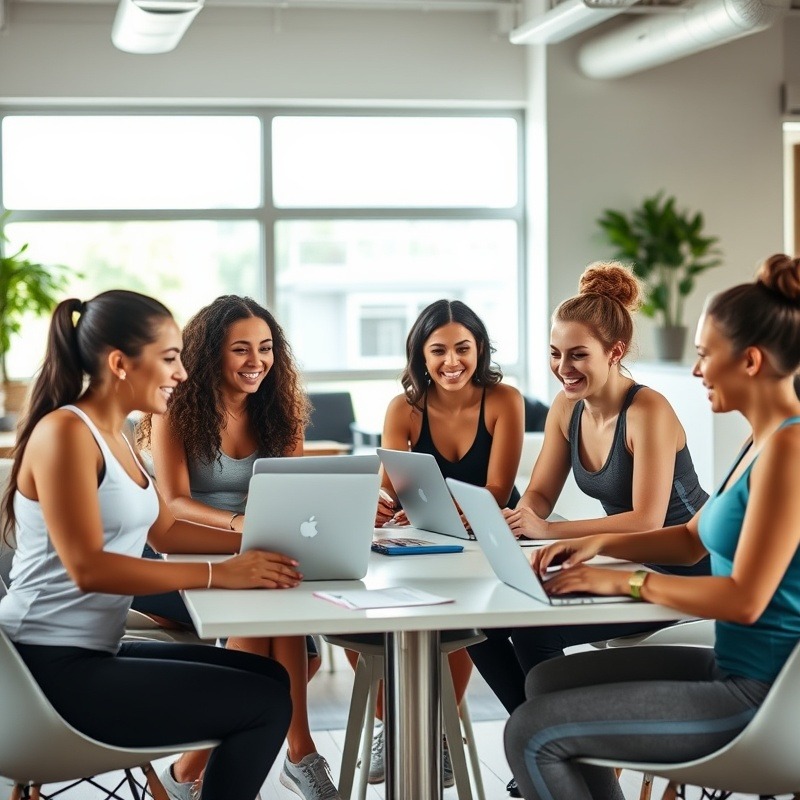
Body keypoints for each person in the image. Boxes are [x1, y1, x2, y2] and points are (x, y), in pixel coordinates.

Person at [505, 253, 800, 800]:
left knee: (530, 732)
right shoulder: (758, 441)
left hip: (766, 694)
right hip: (731, 666)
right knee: (543, 682)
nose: (696, 371)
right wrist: (594, 545)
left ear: (751, 361)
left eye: (704, 355)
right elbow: (688, 541)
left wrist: (624, 579)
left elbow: (745, 600)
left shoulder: (790, 449)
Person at [0, 290, 299, 800]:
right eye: (169, 359)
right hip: (41, 671)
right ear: (121, 364)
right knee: (264, 703)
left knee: (271, 680)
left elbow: (166, 534)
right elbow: (89, 568)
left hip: (92, 651)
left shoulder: (115, 436)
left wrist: (262, 547)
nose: (182, 374)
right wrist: (219, 574)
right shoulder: (66, 433)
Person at [466, 263, 709, 797]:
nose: (563, 368)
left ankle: (562, 753)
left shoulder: (648, 411)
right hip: (625, 561)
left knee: (535, 630)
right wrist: (519, 517)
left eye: (578, 355)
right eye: (555, 353)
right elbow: (539, 494)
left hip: (686, 566)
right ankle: (549, 744)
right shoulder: (566, 407)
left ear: (615, 352)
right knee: (480, 625)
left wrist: (554, 532)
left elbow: (647, 520)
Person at [138, 295, 341, 800]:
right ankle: (299, 753)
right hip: (175, 553)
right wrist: (242, 524)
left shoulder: (282, 411)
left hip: (252, 552)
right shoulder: (175, 407)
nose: (257, 361)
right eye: (241, 349)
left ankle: (187, 773)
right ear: (211, 354)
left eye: (266, 348)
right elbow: (174, 502)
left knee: (270, 598)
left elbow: (291, 497)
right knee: (274, 615)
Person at [362, 298, 524, 785]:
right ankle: (399, 725)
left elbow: (497, 490)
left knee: (463, 617)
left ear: (480, 350)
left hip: (491, 536)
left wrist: (446, 508)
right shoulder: (404, 408)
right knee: (370, 611)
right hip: (429, 535)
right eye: (438, 351)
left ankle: (443, 734)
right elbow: (391, 487)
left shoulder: (504, 400)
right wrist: (380, 501)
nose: (452, 361)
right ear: (421, 355)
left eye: (463, 348)